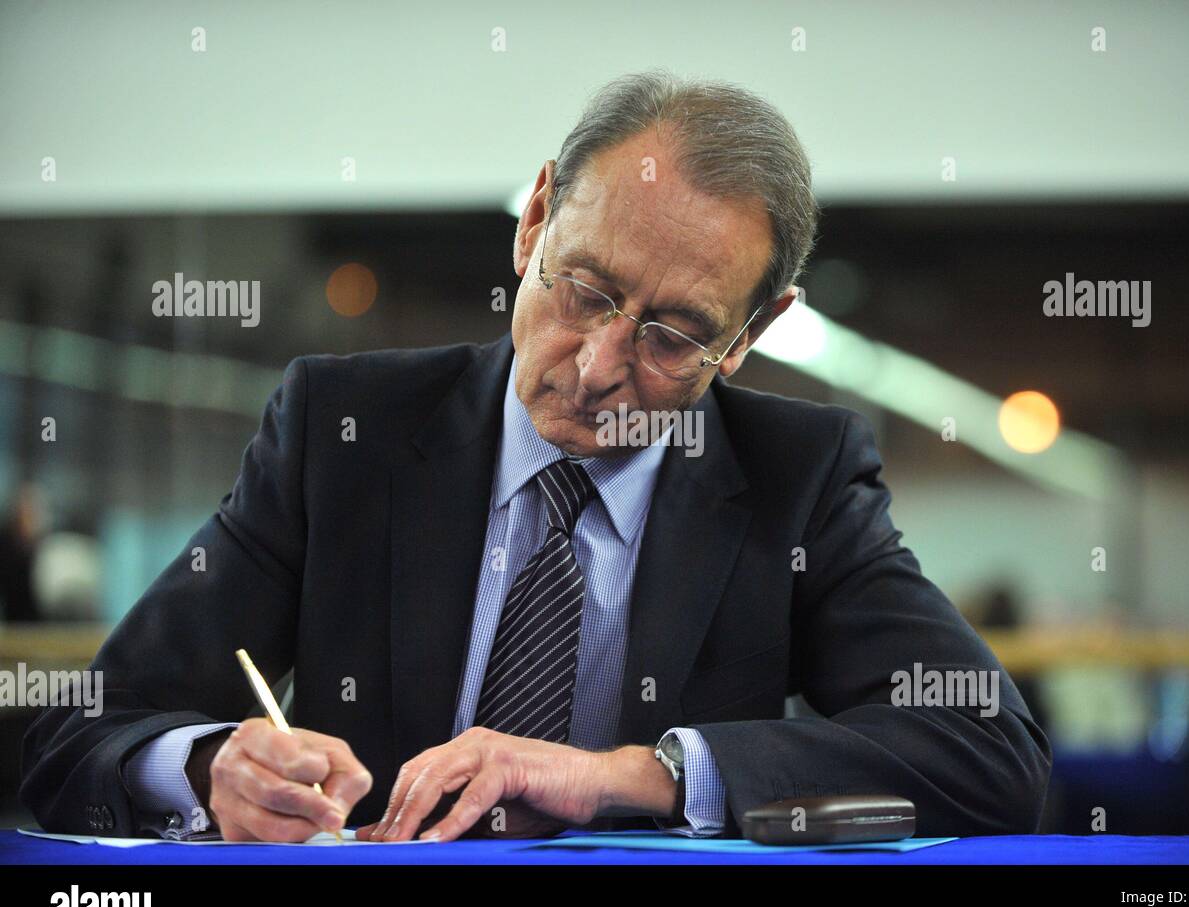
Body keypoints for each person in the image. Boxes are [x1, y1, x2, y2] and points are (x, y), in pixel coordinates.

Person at [21, 70, 1051, 843]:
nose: (600, 364)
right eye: (586, 289)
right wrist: (207, 767)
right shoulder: (343, 432)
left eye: (674, 335)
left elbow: (992, 754)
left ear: (752, 334)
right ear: (533, 221)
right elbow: (79, 734)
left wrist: (625, 775)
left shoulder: (797, 478)